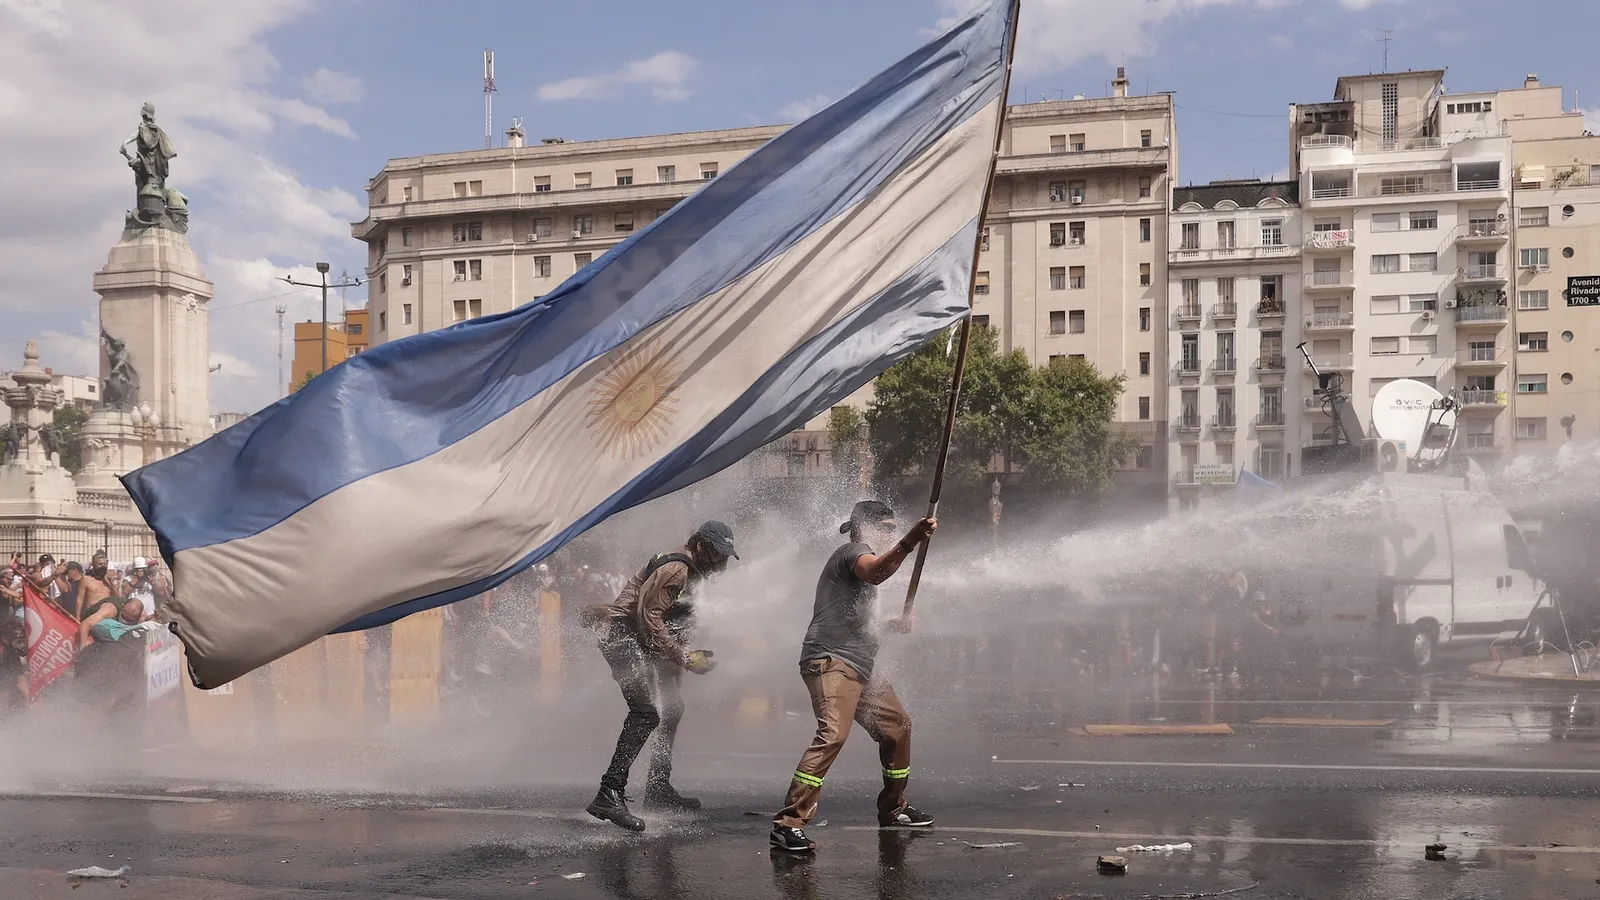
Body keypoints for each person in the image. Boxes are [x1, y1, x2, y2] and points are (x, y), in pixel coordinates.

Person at [770, 501, 937, 854]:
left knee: (898, 727)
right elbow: (876, 571)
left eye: (894, 528)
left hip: (859, 666)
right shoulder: (853, 552)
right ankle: (788, 824)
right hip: (830, 662)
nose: (890, 533)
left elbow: (861, 626)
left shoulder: (860, 565)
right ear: (864, 526)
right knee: (832, 733)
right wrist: (910, 540)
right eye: (886, 527)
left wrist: (894, 625)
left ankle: (894, 809)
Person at [581, 521, 738, 832]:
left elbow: (668, 619)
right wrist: (682, 656)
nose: (721, 564)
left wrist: (688, 652)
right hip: (622, 636)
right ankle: (608, 793)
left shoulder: (692, 570)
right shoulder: (676, 569)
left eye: (725, 557)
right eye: (718, 555)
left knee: (672, 708)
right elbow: (648, 621)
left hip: (641, 639)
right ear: (702, 548)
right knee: (645, 713)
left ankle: (657, 787)